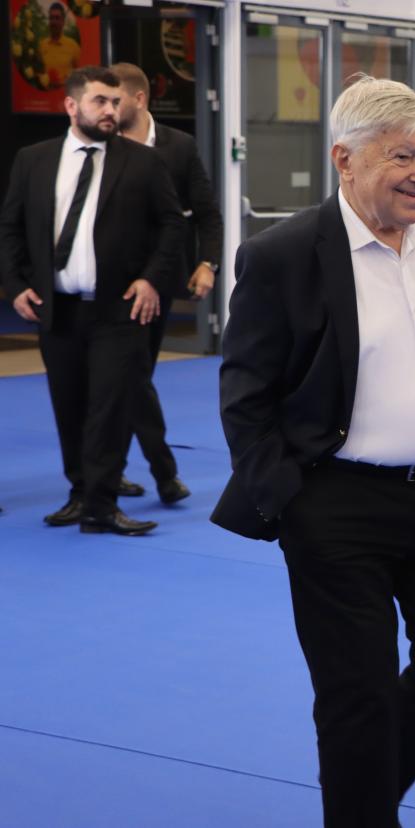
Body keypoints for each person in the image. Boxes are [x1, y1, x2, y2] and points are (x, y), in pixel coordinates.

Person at [211, 75, 415, 827]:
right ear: (344, 159)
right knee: (357, 692)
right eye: (402, 157)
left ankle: (363, 795)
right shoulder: (282, 255)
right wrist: (289, 501)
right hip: (338, 505)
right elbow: (245, 394)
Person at [0, 66, 184, 535]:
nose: (110, 110)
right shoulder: (34, 160)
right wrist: (16, 285)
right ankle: (80, 494)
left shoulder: (142, 162)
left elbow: (172, 225)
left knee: (110, 407)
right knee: (69, 406)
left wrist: (151, 280)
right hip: (57, 308)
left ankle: (102, 506)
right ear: (71, 105)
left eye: (115, 102)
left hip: (118, 309)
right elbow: (11, 228)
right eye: (100, 101)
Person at [110, 61, 224, 505]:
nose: (107, 109)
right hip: (107, 285)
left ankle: (113, 468)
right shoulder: (100, 144)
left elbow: (207, 213)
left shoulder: (179, 147)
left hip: (157, 283)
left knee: (133, 376)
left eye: (114, 99)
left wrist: (207, 263)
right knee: (129, 375)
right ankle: (161, 472)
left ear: (139, 99)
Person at [39, 3, 80, 88]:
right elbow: (40, 73)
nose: (54, 22)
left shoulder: (73, 46)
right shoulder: (42, 45)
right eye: (51, 18)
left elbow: (78, 76)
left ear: (63, 22)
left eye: (57, 18)